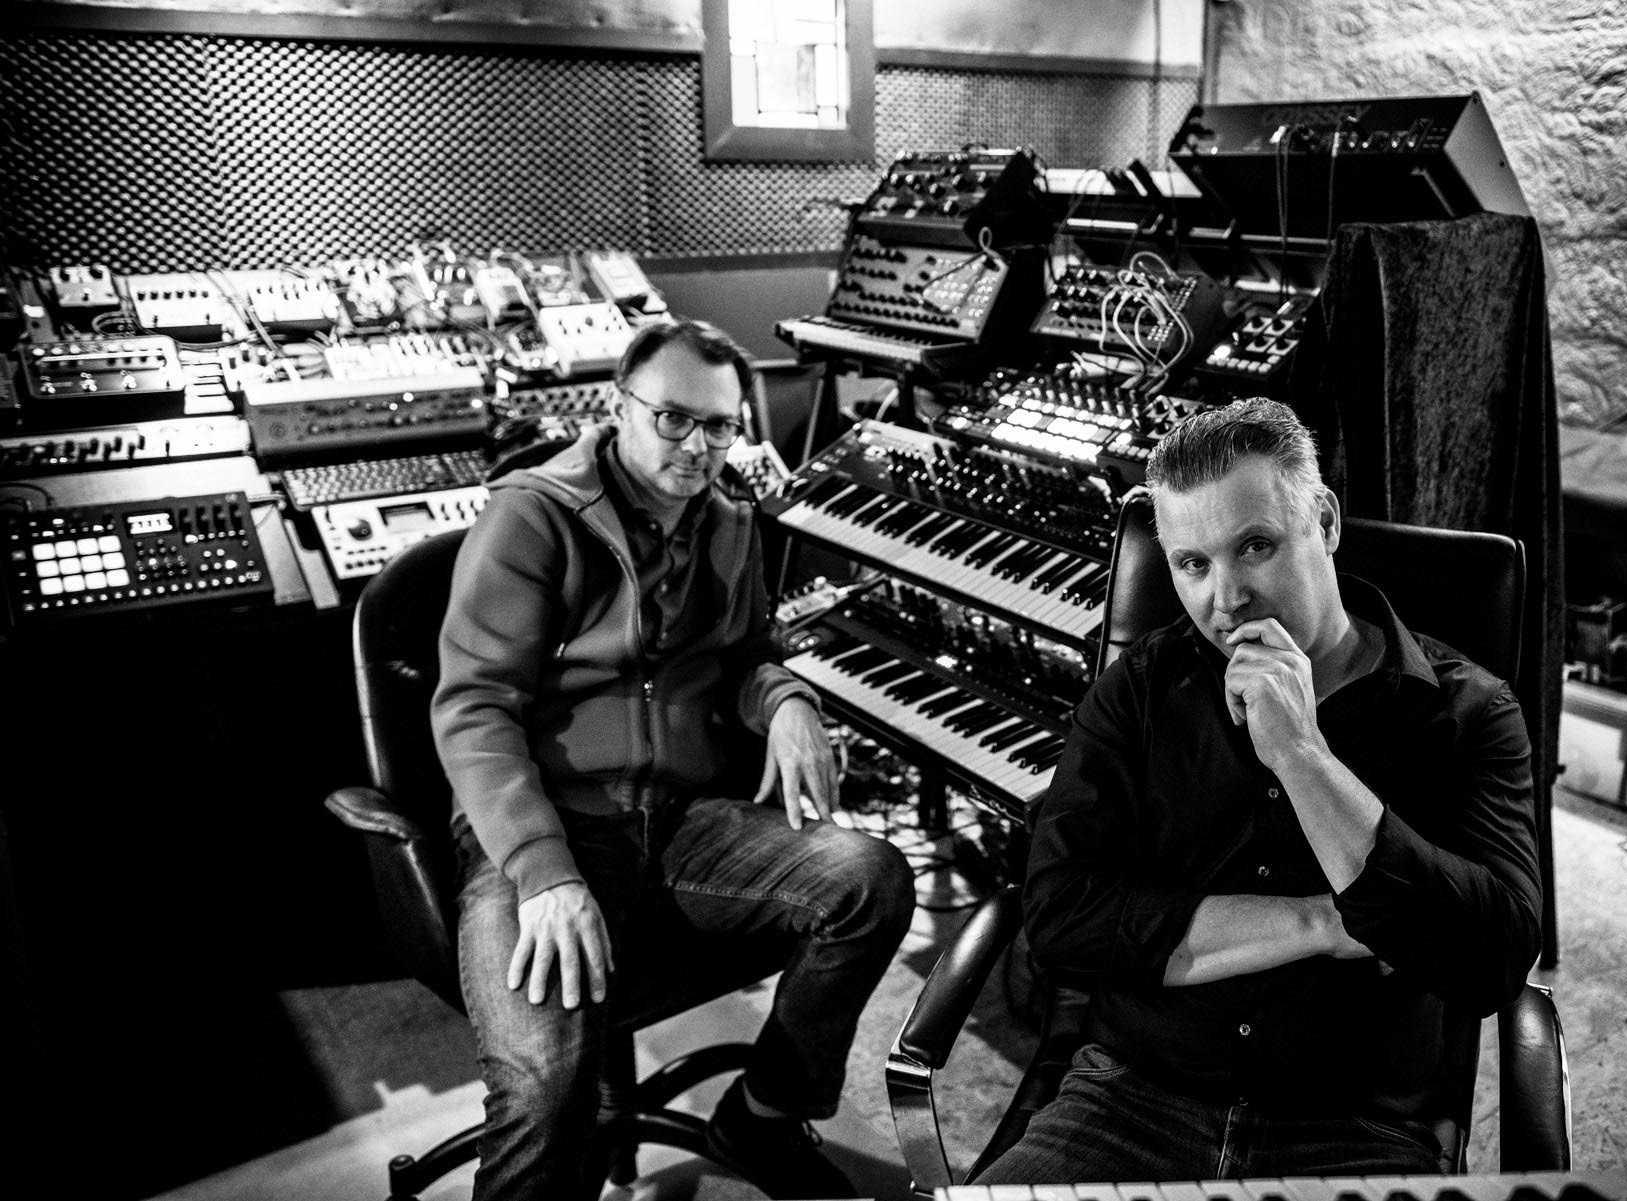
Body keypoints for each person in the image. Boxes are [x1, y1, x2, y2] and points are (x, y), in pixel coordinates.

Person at [975, 396, 1542, 1183]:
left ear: (1325, 521)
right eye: (1192, 564)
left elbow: (1492, 958)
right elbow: (1061, 918)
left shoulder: (1468, 711)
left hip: (1354, 1124)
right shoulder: (1140, 688)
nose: (1226, 597)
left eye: (1255, 546)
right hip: (1130, 1096)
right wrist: (1324, 921)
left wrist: (1302, 754)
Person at [432, 316, 915, 1201]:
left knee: (869, 881)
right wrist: (544, 872)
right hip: (549, 829)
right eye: (674, 418)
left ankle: (762, 1116)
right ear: (620, 407)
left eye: (721, 425)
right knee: (544, 1091)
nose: (699, 446)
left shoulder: (730, 523)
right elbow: (475, 706)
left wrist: (787, 700)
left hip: (681, 823)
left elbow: (745, 657)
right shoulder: (531, 515)